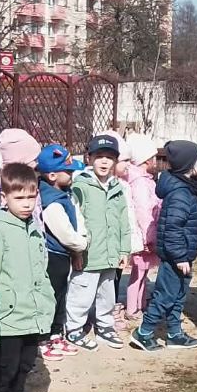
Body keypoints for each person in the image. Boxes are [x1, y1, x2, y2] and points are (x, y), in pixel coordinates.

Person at [0, 161, 54, 392]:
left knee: (25, 362)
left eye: (31, 197)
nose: (26, 204)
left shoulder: (33, 227)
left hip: (32, 309)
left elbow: (41, 268)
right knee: (7, 365)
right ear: (4, 197)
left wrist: (46, 299)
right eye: (19, 197)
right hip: (9, 313)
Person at [129, 139, 197, 352]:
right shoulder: (180, 193)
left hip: (183, 255)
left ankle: (174, 333)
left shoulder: (185, 187)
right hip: (176, 256)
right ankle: (143, 333)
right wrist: (179, 256)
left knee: (178, 295)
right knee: (165, 295)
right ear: (190, 165)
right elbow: (172, 228)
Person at [64, 133, 130, 349]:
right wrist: (76, 251)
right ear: (89, 158)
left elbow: (123, 221)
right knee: (81, 294)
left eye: (109, 158)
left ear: (115, 161)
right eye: (99, 156)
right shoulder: (80, 186)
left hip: (110, 254)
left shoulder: (117, 187)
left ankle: (105, 326)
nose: (104, 162)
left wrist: (124, 250)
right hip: (89, 255)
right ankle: (74, 328)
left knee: (107, 294)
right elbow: (74, 220)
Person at [37, 143, 89, 362]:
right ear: (52, 176)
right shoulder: (51, 202)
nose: (71, 174)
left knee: (60, 296)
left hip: (64, 254)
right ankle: (44, 338)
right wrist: (81, 244)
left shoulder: (64, 194)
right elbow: (65, 233)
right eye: (67, 171)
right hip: (53, 256)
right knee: (51, 297)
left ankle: (56, 333)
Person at [121, 134, 161, 323]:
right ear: (146, 159)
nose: (156, 161)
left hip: (146, 235)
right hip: (143, 236)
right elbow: (143, 211)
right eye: (154, 157)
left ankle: (141, 303)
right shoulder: (140, 183)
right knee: (138, 274)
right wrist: (148, 237)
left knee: (143, 273)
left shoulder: (145, 180)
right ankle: (132, 308)